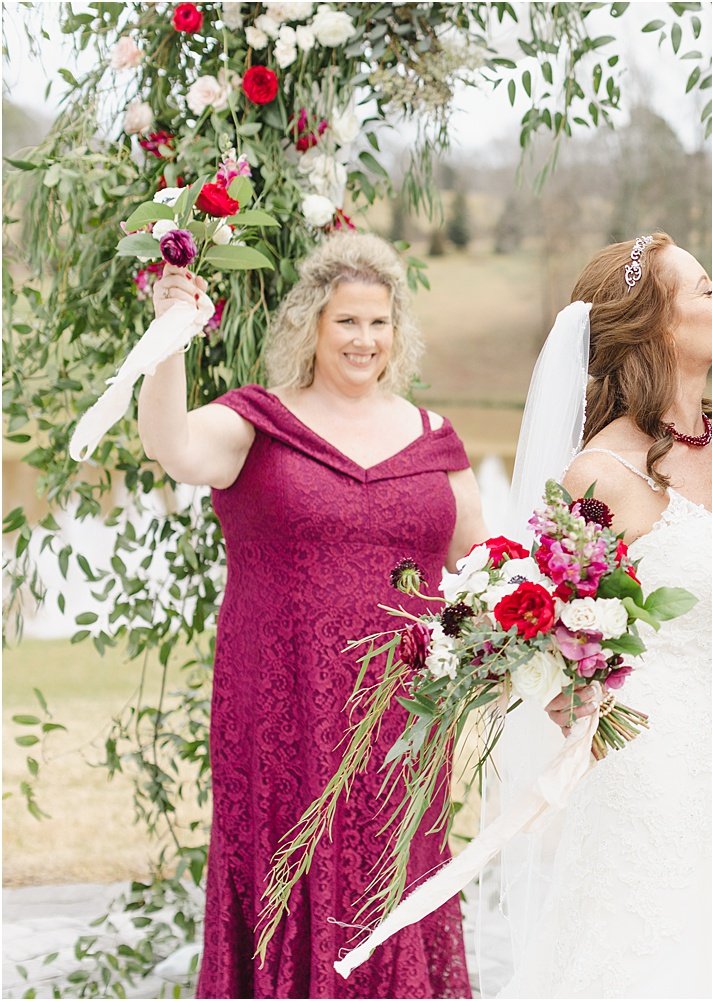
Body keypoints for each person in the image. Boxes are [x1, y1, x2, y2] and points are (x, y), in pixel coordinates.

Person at [139, 233, 483, 998]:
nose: (365, 339)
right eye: (347, 322)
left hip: (403, 722)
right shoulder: (258, 424)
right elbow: (173, 446)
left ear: (398, 332)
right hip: (282, 715)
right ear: (311, 326)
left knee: (391, 885)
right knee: (289, 876)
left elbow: (489, 566)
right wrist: (168, 344)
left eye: (379, 323)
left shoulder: (434, 439)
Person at [504, 233, 712, 997]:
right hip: (651, 770)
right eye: (702, 287)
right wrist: (572, 692)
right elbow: (538, 632)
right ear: (653, 326)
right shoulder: (599, 474)